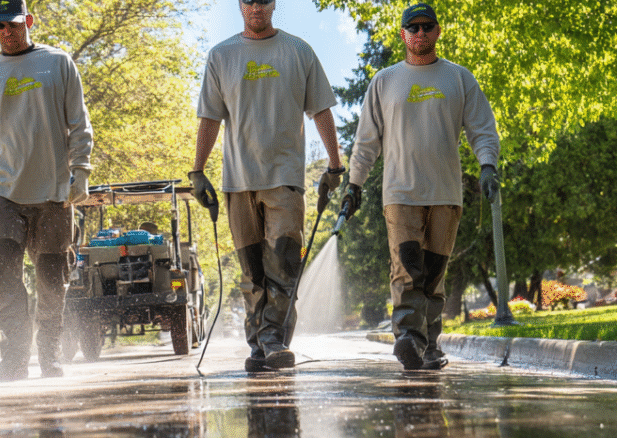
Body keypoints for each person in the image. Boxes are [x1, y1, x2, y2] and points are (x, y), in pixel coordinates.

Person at [188, 0, 346, 372]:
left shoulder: (299, 51)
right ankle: (259, 344)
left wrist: (335, 165)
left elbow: (321, 109)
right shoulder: (221, 56)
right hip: (238, 182)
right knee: (252, 272)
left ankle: (274, 339)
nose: (256, 6)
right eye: (249, 0)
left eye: (263, 0)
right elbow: (209, 118)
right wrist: (197, 171)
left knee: (284, 265)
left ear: (273, 4)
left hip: (285, 179)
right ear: (240, 6)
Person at [345, 3, 500, 371]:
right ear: (403, 34)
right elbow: (366, 141)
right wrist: (354, 184)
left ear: (437, 31)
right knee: (406, 268)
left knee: (433, 273)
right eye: (412, 27)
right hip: (400, 193)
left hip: (445, 193)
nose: (419, 33)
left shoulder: (459, 79)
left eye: (426, 26)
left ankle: (430, 345)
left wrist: (488, 165)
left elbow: (482, 129)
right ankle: (408, 339)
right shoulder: (384, 81)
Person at [0, 0, 94, 382]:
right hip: (3, 193)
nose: (7, 33)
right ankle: (14, 358)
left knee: (51, 278)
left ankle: (48, 354)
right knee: (5, 271)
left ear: (28, 21)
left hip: (53, 193)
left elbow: (79, 123)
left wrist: (80, 170)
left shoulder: (57, 63)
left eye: (13, 25)